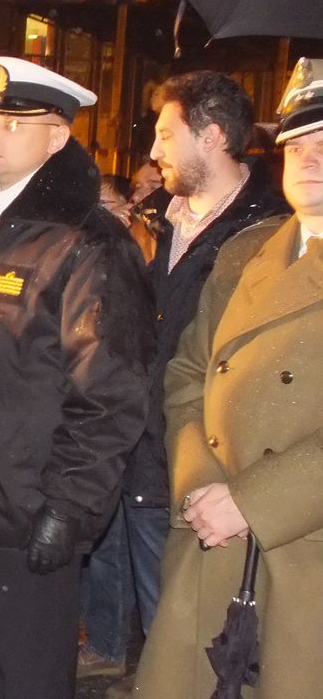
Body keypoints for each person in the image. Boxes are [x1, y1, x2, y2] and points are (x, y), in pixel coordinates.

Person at [0, 57, 154, 699]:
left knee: (29, 681)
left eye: (9, 119)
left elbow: (109, 394)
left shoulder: (85, 243)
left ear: (56, 136)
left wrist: (69, 507)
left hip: (29, 510)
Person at [83, 70, 288, 688]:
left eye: (168, 136)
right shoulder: (157, 220)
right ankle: (129, 661)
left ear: (213, 137)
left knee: (181, 608)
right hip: (134, 435)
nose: (152, 153)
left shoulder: (269, 233)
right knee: (140, 586)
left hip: (199, 452)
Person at [133, 56, 323, 699]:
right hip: (213, 533)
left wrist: (252, 501)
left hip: (302, 546)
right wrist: (203, 486)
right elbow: (187, 372)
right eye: (298, 142)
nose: (309, 157)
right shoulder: (249, 249)